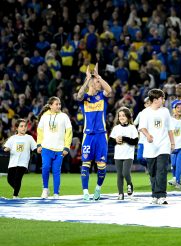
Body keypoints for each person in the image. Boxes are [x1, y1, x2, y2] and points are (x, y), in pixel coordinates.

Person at [76, 63, 113, 201]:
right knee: (85, 163)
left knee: (101, 165)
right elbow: (79, 95)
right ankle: (85, 192)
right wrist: (87, 80)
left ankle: (98, 189)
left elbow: (109, 90)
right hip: (88, 135)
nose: (99, 83)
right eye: (97, 82)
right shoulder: (85, 98)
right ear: (91, 83)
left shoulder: (102, 96)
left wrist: (99, 76)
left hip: (101, 135)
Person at [139, 89, 175, 205]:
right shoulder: (145, 112)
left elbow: (169, 128)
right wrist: (148, 135)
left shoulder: (165, 111)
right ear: (155, 100)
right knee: (153, 172)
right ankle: (155, 194)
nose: (163, 100)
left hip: (163, 145)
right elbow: (142, 128)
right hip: (150, 146)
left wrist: (172, 143)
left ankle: (161, 195)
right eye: (161, 98)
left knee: (162, 170)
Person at [37, 96, 72, 199]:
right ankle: (45, 189)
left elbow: (69, 132)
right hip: (46, 148)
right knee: (46, 167)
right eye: (56, 104)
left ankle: (56, 193)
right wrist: (39, 144)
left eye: (60, 104)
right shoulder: (44, 116)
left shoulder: (64, 116)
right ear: (51, 105)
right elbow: (40, 131)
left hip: (59, 149)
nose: (59, 106)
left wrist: (66, 147)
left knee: (56, 171)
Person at [109, 107, 139, 200]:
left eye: (123, 115)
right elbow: (110, 141)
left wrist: (124, 138)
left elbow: (135, 141)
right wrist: (116, 140)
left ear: (128, 117)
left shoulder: (132, 128)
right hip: (118, 155)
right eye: (119, 116)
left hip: (128, 154)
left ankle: (129, 184)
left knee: (125, 173)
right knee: (119, 175)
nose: (121, 117)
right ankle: (120, 194)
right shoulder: (116, 128)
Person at [3, 119, 37, 199]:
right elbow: (6, 147)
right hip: (13, 162)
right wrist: (6, 149)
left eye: (25, 126)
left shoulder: (29, 138)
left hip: (23, 163)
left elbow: (35, 148)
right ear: (17, 128)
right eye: (21, 126)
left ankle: (15, 195)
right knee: (10, 180)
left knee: (18, 178)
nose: (24, 128)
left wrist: (39, 150)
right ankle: (17, 191)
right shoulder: (12, 138)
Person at [134, 97, 151, 171]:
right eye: (147, 103)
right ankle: (148, 166)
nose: (149, 104)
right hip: (142, 140)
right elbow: (134, 124)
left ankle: (152, 177)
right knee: (139, 158)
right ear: (145, 105)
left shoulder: (156, 114)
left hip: (151, 140)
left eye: (150, 103)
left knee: (151, 158)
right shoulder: (141, 114)